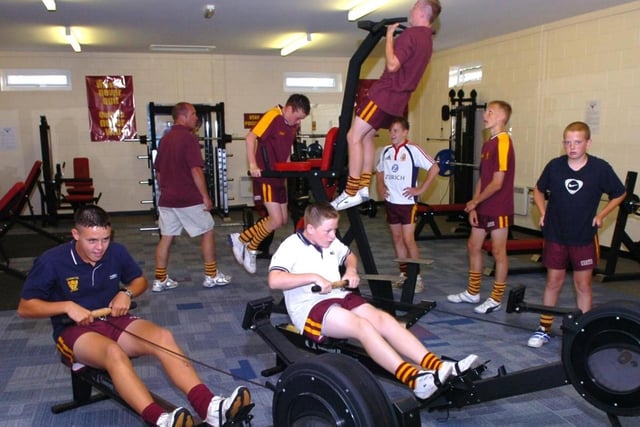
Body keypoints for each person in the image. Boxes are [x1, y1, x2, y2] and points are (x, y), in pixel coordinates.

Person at [17, 205, 252, 427]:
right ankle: (159, 420)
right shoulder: (52, 261)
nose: (100, 247)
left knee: (163, 337)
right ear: (75, 234)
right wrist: (67, 306)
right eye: (92, 240)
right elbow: (25, 308)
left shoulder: (115, 252)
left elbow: (139, 281)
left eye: (105, 239)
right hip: (74, 331)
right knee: (113, 353)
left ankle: (210, 408)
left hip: (114, 321)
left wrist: (126, 293)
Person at [268, 202, 480, 400]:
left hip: (338, 295)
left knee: (384, 320)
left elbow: (349, 255)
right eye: (328, 231)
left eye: (335, 230)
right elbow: (274, 280)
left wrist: (351, 270)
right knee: (363, 327)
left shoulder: (330, 242)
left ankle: (436, 365)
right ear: (310, 228)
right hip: (309, 306)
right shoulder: (291, 246)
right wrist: (313, 277)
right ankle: (414, 380)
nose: (334, 235)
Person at [331, 0, 442, 211]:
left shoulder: (410, 35)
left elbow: (392, 65)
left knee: (352, 136)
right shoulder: (427, 41)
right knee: (366, 137)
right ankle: (363, 188)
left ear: (422, 11)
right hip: (397, 102)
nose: (411, 9)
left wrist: (390, 35)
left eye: (414, 6)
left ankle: (351, 190)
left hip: (384, 95)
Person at [527, 121, 626, 348]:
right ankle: (544, 328)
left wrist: (602, 215)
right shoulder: (555, 166)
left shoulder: (599, 168)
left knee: (583, 285)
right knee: (553, 282)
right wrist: (543, 212)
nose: (572, 147)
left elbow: (619, 193)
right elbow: (539, 189)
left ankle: (583, 331)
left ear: (588, 143)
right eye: (568, 142)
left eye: (577, 142)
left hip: (583, 236)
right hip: (556, 234)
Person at [229, 93, 311, 274]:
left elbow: (286, 150)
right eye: (297, 117)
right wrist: (252, 165)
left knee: (281, 220)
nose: (298, 122)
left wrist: (290, 169)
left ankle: (241, 238)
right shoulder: (272, 116)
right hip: (266, 176)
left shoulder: (292, 125)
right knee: (275, 219)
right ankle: (251, 248)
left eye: (301, 119)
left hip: (279, 176)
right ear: (289, 109)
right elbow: (250, 138)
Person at [153, 102, 231, 291]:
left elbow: (158, 173)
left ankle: (160, 279)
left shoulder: (165, 139)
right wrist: (205, 196)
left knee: (166, 237)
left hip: (167, 199)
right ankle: (211, 275)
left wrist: (167, 189)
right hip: (188, 198)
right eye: (194, 114)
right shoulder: (188, 139)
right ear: (184, 115)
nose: (196, 118)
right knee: (208, 230)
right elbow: (196, 170)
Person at [447, 100, 515, 314]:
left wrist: (475, 201)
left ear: (502, 117)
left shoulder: (503, 141)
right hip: (483, 206)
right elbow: (483, 179)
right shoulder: (488, 144)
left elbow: (497, 182)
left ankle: (496, 298)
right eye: (486, 111)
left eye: (490, 112)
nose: (485, 115)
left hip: (499, 207)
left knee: (498, 252)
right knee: (473, 246)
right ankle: (473, 292)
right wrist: (474, 205)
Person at [375, 117, 440, 291]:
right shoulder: (386, 151)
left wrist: (421, 189)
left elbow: (435, 168)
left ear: (405, 132)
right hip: (391, 202)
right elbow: (379, 172)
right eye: (391, 130)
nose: (392, 134)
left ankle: (416, 277)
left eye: (396, 131)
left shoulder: (413, 150)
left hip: (407, 204)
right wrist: (381, 187)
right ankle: (404, 274)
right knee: (397, 239)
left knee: (408, 239)